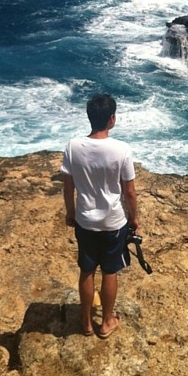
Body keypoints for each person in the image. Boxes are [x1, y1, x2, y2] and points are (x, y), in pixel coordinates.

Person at [61, 94, 139, 339]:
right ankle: (106, 322)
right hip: (113, 223)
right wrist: (134, 219)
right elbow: (129, 192)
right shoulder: (122, 150)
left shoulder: (72, 147)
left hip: (85, 220)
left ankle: (84, 323)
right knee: (109, 271)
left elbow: (68, 186)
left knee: (86, 271)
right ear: (112, 119)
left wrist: (71, 213)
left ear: (89, 117)